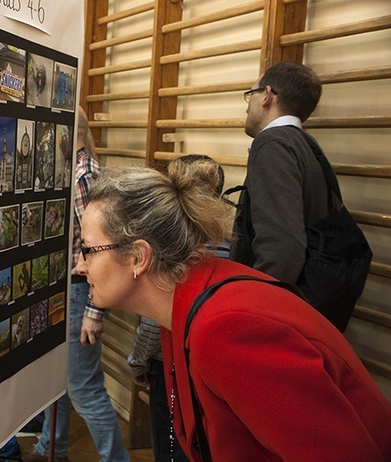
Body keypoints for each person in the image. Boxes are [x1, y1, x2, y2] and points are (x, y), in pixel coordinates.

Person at [76, 161, 391, 461]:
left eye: (88, 250)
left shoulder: (224, 328)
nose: (79, 266)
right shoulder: (185, 302)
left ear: (137, 257)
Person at [23, 107, 130, 462]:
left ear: (69, 133)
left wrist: (94, 311)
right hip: (70, 290)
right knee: (62, 377)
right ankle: (50, 447)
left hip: (81, 291)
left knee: (84, 387)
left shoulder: (84, 175)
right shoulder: (77, 170)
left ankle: (115, 458)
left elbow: (102, 248)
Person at [127, 154, 229, 462]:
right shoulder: (227, 241)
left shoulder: (171, 245)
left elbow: (152, 321)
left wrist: (138, 363)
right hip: (211, 365)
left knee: (172, 449)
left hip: (170, 365)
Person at [229, 62, 327, 284]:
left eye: (251, 94)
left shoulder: (272, 145)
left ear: (267, 95)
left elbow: (283, 246)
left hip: (275, 299)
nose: (247, 107)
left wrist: (259, 302)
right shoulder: (305, 144)